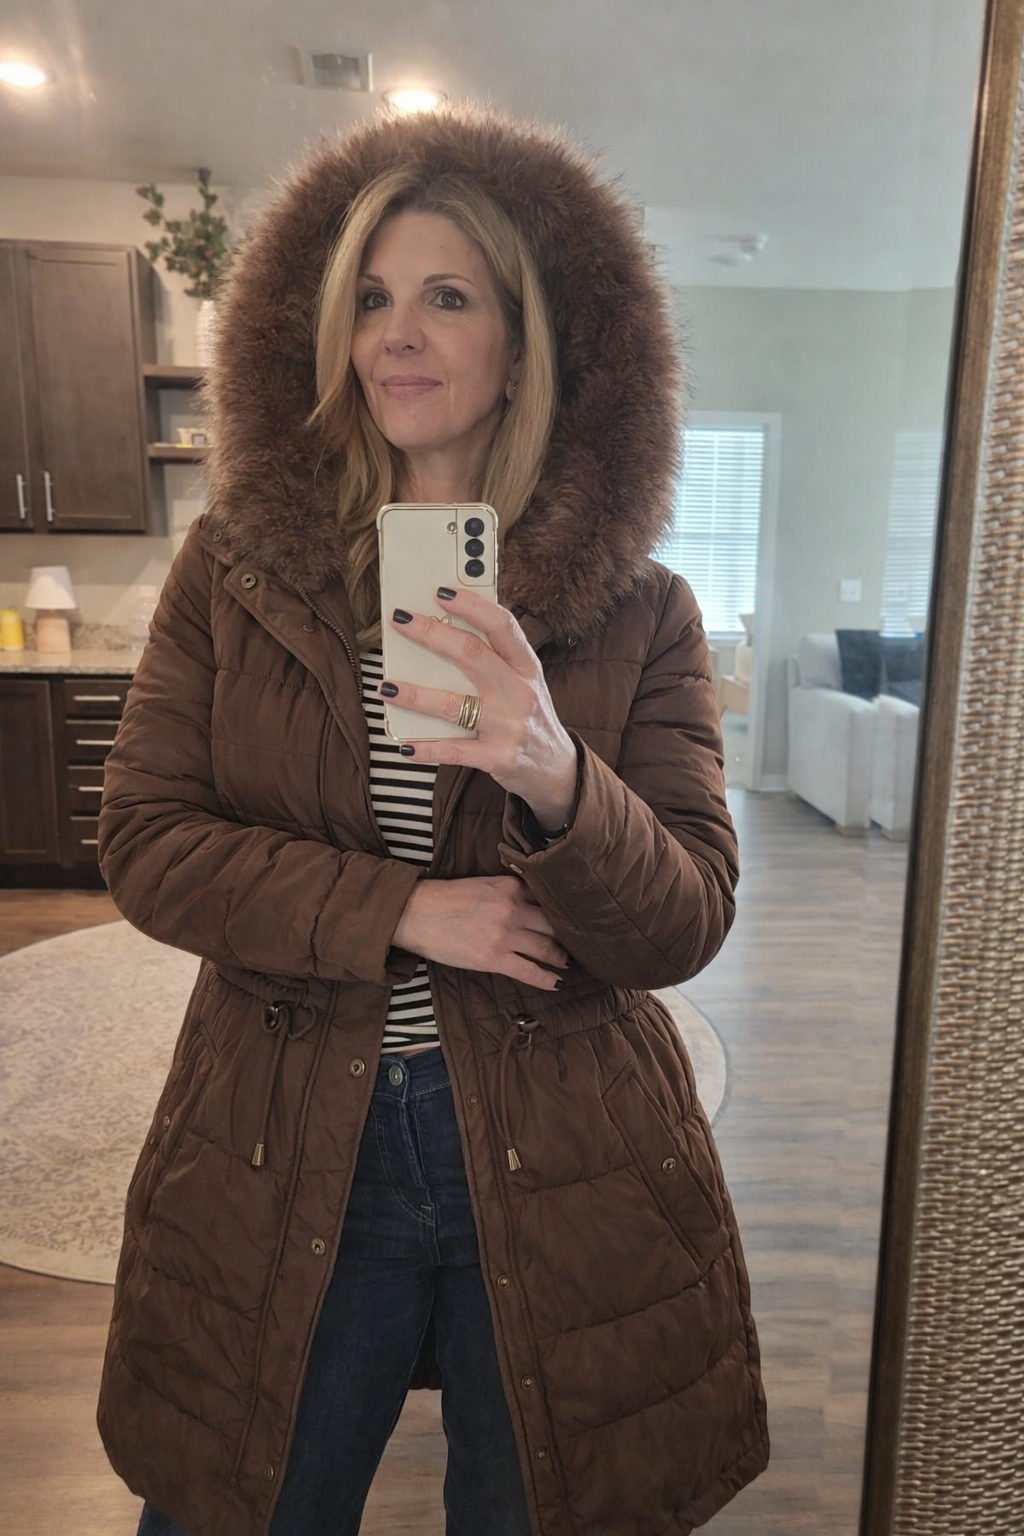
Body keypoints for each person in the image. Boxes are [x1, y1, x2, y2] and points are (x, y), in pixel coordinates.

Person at [96, 104, 769, 1536]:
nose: (396, 335)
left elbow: (687, 921)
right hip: (288, 1132)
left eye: (447, 297)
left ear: (523, 344)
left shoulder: (642, 610)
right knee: (241, 1506)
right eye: (372, 299)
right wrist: (400, 909)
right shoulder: (238, 572)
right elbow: (146, 840)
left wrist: (553, 769)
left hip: (558, 1141)